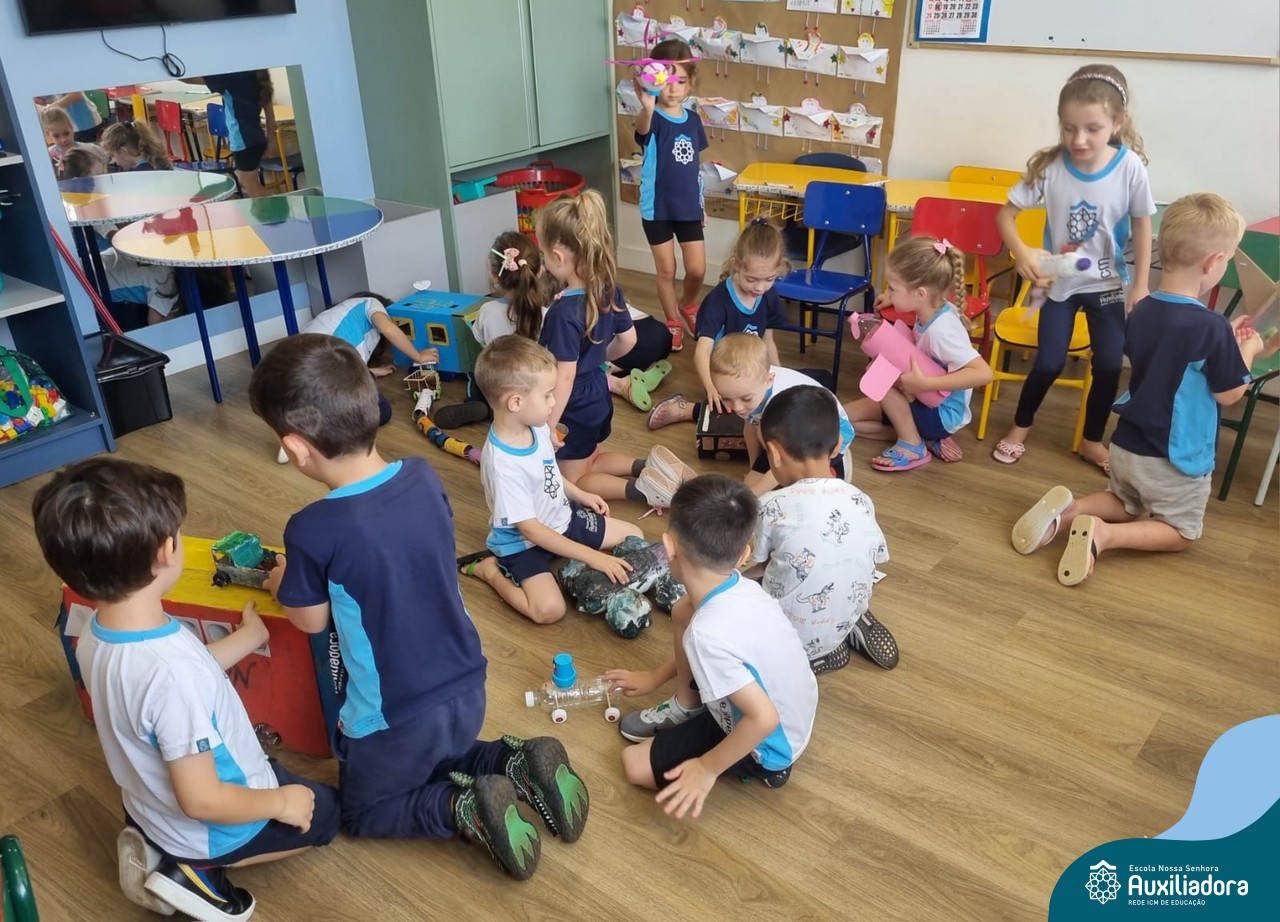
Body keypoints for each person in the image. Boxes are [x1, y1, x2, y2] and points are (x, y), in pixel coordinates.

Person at [248, 334, 589, 880]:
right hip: (468, 684)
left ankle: (462, 808)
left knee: (363, 810)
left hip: (395, 714)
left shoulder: (312, 528)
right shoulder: (423, 477)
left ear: (297, 447)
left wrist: (282, 582)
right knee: (441, 755)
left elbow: (310, 619)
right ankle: (513, 761)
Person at [31, 458, 338, 920]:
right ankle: (193, 872)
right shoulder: (170, 675)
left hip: (150, 805)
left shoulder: (99, 631)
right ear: (166, 551)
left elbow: (180, 680)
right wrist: (280, 802)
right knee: (326, 811)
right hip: (208, 828)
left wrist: (248, 639)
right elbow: (202, 798)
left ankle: (156, 841)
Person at [1012, 192, 1263, 586]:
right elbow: (1229, 394)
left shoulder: (1143, 308)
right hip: (1173, 456)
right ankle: (1104, 535)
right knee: (1181, 531)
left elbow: (1172, 349)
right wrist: (1246, 350)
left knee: (1125, 502)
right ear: (1213, 262)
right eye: (1228, 260)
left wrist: (1225, 341)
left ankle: (1069, 511)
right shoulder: (1211, 327)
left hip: (1127, 445)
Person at [604, 474, 818, 818]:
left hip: (770, 743)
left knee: (634, 765)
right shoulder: (742, 587)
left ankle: (765, 767)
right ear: (744, 554)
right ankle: (687, 704)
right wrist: (654, 678)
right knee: (682, 609)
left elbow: (763, 718)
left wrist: (706, 768)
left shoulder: (706, 634)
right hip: (795, 709)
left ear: (668, 547)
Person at [992, 64, 1156, 472]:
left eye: (1092, 129)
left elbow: (1142, 225)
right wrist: (1022, 253)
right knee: (1048, 362)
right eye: (1068, 128)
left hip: (1107, 286)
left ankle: (1090, 440)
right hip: (1059, 285)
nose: (1078, 139)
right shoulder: (1050, 167)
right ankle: (1019, 428)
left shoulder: (1130, 167)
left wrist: (1141, 285)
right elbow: (1005, 216)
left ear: (1118, 122)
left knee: (1108, 366)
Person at [461, 335, 645, 624]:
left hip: (561, 518)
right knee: (549, 611)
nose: (554, 401)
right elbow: (532, 530)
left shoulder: (535, 427)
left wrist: (580, 494)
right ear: (516, 402)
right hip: (523, 543)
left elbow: (548, 472)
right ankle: (490, 572)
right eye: (547, 394)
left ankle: (567, 556)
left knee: (634, 535)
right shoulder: (503, 465)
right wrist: (593, 557)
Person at [536, 189, 691, 507]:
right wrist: (596, 361)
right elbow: (629, 341)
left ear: (559, 257)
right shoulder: (609, 290)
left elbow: (564, 376)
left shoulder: (562, 313)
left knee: (574, 480)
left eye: (543, 254)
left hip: (573, 405)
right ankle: (648, 466)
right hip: (597, 392)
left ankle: (643, 490)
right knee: (592, 457)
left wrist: (547, 428)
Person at [748, 386, 898, 673]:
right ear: (838, 444)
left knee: (736, 581)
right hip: (846, 611)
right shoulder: (861, 500)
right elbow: (876, 557)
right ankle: (847, 625)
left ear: (774, 454)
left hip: (786, 642)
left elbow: (757, 564)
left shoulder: (771, 506)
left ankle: (814, 653)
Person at [843, 236, 994, 471]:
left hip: (941, 414)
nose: (888, 292)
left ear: (920, 294)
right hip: (920, 398)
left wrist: (924, 384)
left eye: (893, 288)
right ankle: (916, 435)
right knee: (842, 418)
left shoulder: (941, 331)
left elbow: (984, 373)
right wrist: (891, 298)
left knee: (880, 374)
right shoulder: (930, 308)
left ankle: (912, 444)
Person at [649, 333, 855, 492]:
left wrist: (753, 493)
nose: (737, 407)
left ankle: (836, 471)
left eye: (745, 399)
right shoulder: (752, 391)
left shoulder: (780, 406)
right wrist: (753, 467)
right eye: (726, 398)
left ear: (769, 380)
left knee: (794, 490)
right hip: (790, 439)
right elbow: (750, 428)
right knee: (755, 485)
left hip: (830, 436)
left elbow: (784, 460)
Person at [272, 291, 439, 461]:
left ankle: (299, 426)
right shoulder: (371, 303)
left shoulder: (337, 314)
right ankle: (317, 429)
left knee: (321, 392)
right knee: (381, 412)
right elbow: (388, 329)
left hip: (297, 366)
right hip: (327, 366)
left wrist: (373, 371)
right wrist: (418, 356)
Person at [634, 37, 709, 350]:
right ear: (654, 82)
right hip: (657, 209)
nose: (674, 89)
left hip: (688, 207)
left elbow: (695, 168)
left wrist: (701, 204)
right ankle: (672, 321)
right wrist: (646, 106)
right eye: (666, 81)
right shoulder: (652, 118)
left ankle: (688, 305)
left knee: (697, 269)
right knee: (667, 270)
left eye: (681, 81)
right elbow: (641, 129)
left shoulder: (693, 121)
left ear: (690, 83)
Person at [433, 231, 549, 429]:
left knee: (478, 370)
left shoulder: (487, 311)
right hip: (531, 384)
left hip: (497, 385)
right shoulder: (546, 314)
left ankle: (481, 405)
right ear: (538, 273)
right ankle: (528, 407)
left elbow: (482, 342)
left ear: (495, 277)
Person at [61, 147, 182, 328]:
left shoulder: (76, 201)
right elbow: (117, 237)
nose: (103, 184)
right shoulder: (88, 206)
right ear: (77, 183)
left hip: (84, 268)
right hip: (86, 280)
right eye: (97, 178)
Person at [691, 219, 788, 415]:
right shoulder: (718, 301)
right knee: (736, 412)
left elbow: (767, 340)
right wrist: (710, 387)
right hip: (724, 375)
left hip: (749, 368)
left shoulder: (768, 295)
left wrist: (780, 375)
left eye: (769, 279)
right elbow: (702, 351)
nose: (760, 287)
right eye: (751, 279)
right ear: (736, 265)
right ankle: (688, 410)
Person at [195, 71, 277, 197]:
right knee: (247, 182)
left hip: (243, 140)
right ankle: (266, 207)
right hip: (254, 138)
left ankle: (273, 208)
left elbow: (190, 79)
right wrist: (271, 140)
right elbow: (269, 111)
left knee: (250, 185)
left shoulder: (230, 77)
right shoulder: (253, 76)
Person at [101, 121, 173, 171]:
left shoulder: (139, 175)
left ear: (123, 151)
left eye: (112, 156)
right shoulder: (158, 161)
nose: (114, 161)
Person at [41, 105, 78, 173]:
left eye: (66, 133)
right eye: (56, 136)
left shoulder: (88, 151)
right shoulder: (48, 157)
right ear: (48, 135)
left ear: (72, 128)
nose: (63, 140)